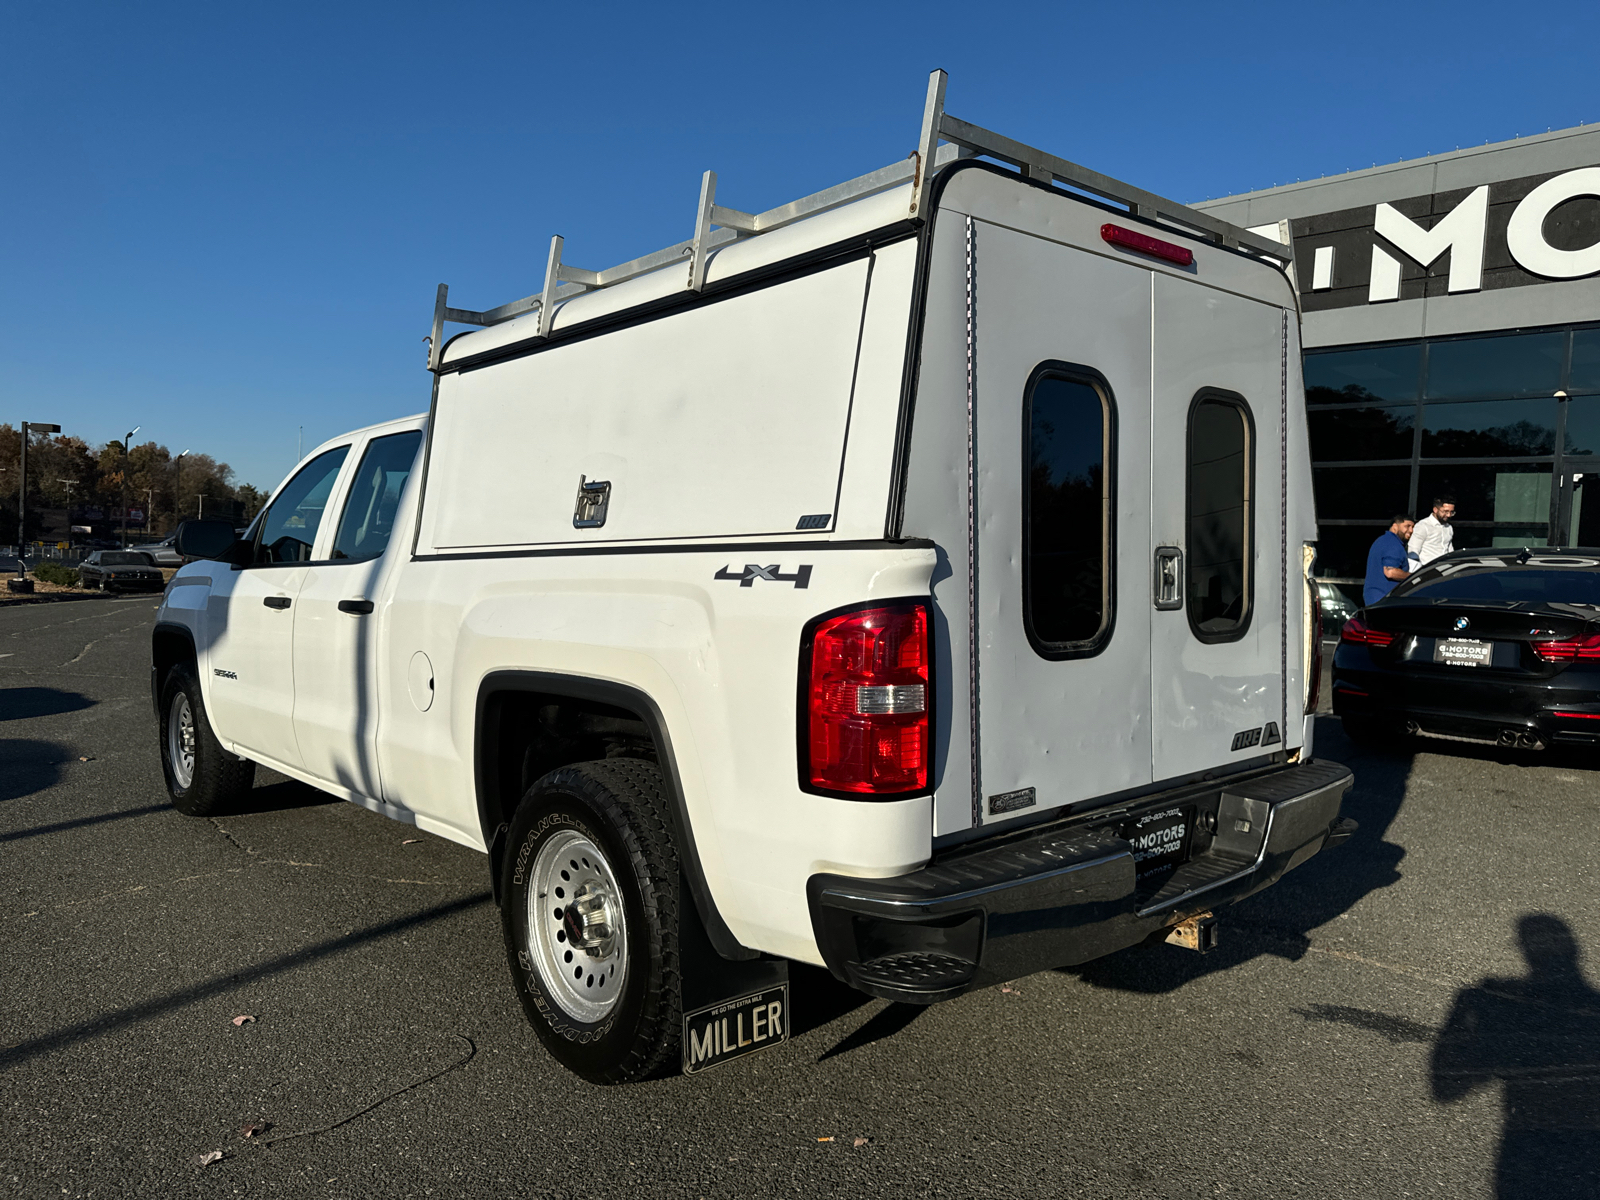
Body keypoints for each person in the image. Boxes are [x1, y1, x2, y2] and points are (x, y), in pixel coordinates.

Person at [1364, 514, 1414, 605]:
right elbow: (1390, 572)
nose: (1411, 530)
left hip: (1376, 598)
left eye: (1412, 527)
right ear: (1395, 526)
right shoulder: (1393, 543)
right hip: (1384, 599)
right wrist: (1412, 577)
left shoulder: (1383, 540)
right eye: (1407, 526)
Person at [1409, 494, 1456, 567]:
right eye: (1445, 511)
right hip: (1428, 569)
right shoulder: (1423, 525)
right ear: (1435, 509)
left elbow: (1450, 550)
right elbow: (1413, 550)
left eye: (1452, 512)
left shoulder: (1449, 527)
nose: (1449, 515)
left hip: (1445, 568)